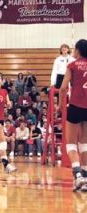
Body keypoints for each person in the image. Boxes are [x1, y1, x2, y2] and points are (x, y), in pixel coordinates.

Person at [58, 39, 87, 191]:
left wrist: (59, 105)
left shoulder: (72, 65)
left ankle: (78, 175)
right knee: (84, 143)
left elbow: (63, 88)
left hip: (75, 106)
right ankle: (85, 177)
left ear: (77, 50)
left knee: (70, 143)